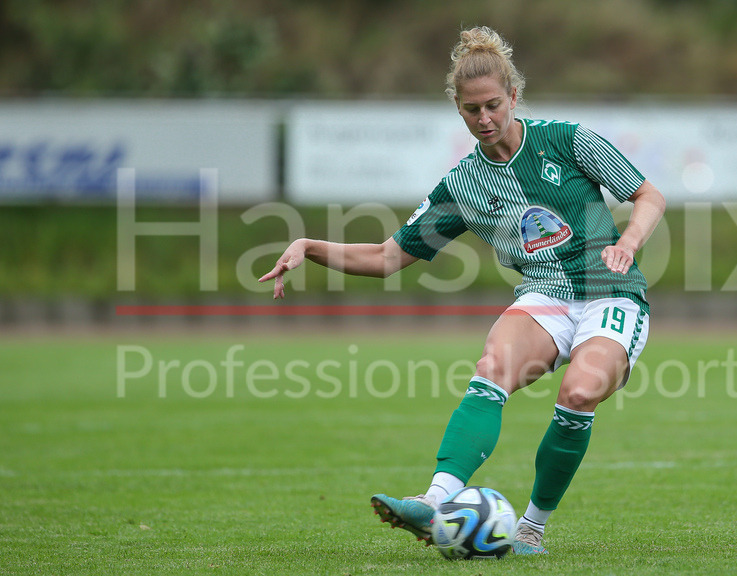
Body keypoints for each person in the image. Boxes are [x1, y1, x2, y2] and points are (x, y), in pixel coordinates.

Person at [259, 25, 665, 555]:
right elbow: (387, 258)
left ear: (514, 96)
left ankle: (530, 528)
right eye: (472, 110)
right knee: (492, 368)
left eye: (494, 105)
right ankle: (433, 502)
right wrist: (310, 246)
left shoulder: (568, 141)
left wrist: (629, 242)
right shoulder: (462, 186)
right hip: (545, 293)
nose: (486, 119)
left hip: (612, 291)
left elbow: (649, 195)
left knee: (580, 393)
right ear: (459, 110)